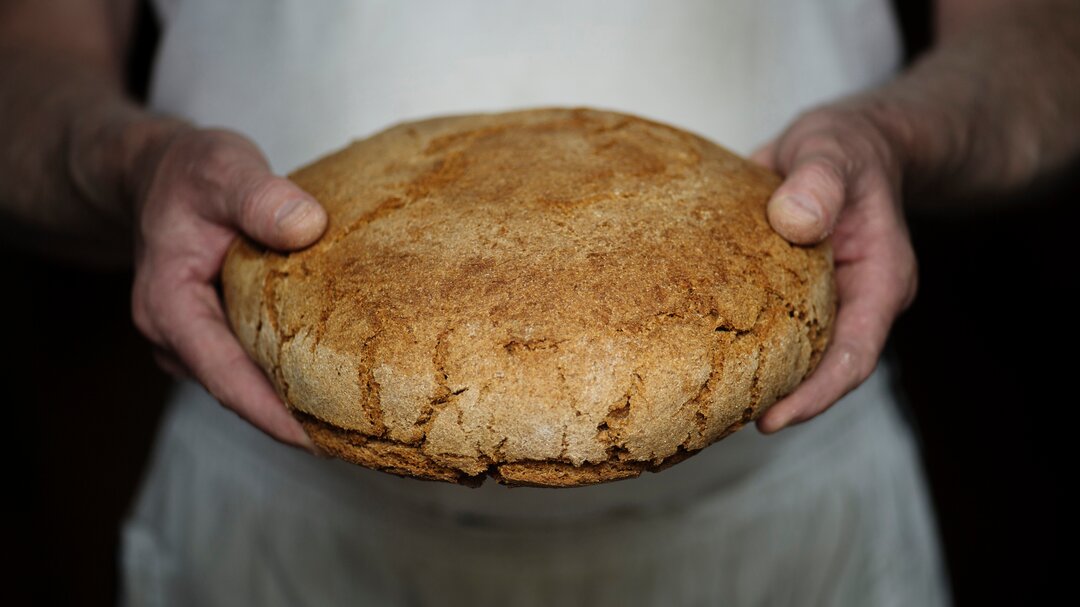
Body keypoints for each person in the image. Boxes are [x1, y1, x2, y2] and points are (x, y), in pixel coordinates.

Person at [2, 0, 1077, 605]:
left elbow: (1046, 47)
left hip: (780, 530)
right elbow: (24, 62)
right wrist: (129, 161)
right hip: (281, 532)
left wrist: (897, 137)